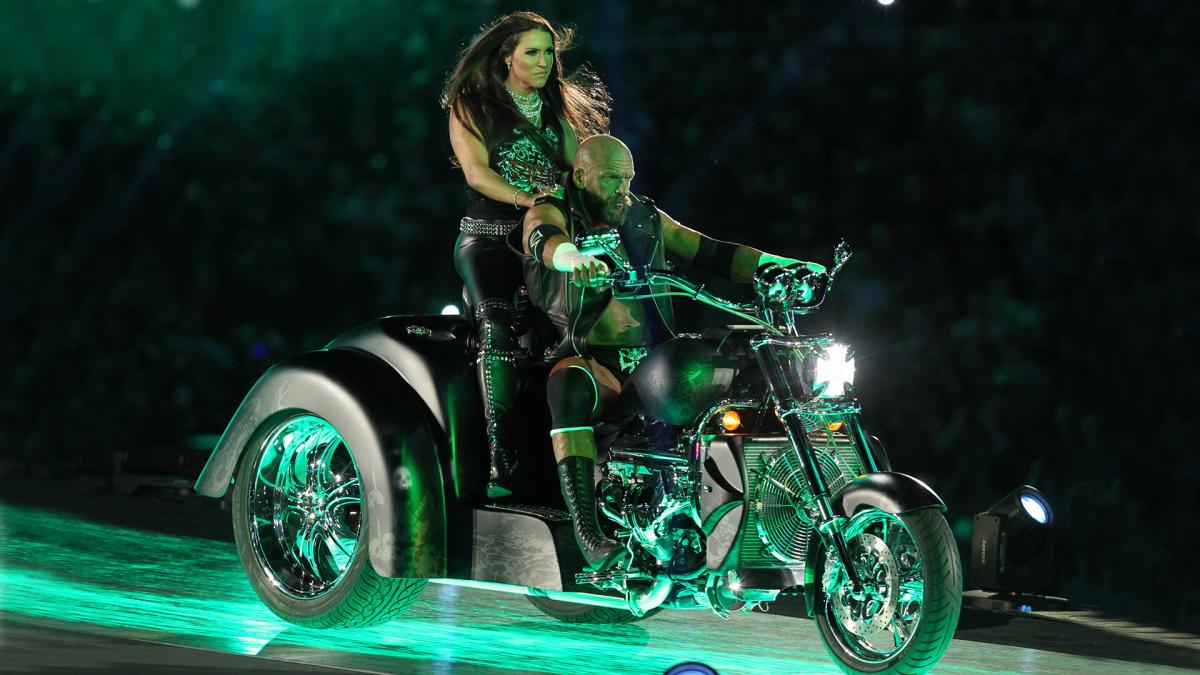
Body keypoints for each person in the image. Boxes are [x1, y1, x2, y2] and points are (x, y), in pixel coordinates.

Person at [519, 135, 825, 569]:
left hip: (650, 361)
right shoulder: (552, 207)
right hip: (591, 359)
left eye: (627, 179)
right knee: (568, 384)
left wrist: (782, 266)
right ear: (581, 177)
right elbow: (543, 239)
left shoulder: (643, 215)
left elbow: (711, 251)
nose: (622, 189)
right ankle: (588, 535)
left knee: (730, 371)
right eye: (610, 178)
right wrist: (574, 259)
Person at [441, 12, 609, 498]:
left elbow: (577, 177)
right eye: (532, 52)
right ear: (506, 57)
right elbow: (477, 174)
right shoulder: (472, 105)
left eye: (549, 53)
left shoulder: (556, 113)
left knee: (574, 332)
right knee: (497, 327)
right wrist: (528, 198)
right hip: (489, 240)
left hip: (546, 243)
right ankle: (501, 455)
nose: (543, 61)